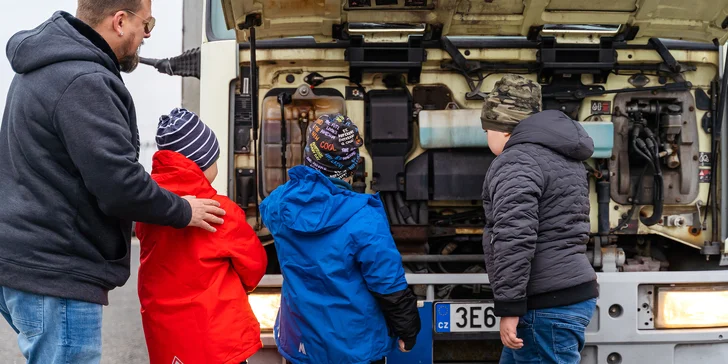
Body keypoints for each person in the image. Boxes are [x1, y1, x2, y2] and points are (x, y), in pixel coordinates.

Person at [0, 2, 225, 363]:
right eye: (146, 23)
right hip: (57, 273)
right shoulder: (83, 80)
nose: (147, 34)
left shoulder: (44, 67)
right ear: (120, 21)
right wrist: (184, 209)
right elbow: (119, 184)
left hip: (26, 265)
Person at [260, 113, 422, 364]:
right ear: (353, 163)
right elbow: (388, 283)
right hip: (354, 347)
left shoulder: (278, 203)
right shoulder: (365, 217)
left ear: (309, 155)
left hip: (301, 343)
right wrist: (408, 330)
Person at [480, 75, 599, 364]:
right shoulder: (565, 158)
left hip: (544, 304)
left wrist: (509, 307)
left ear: (503, 129)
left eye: (487, 128)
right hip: (567, 293)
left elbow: (515, 236)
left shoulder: (517, 160)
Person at [136, 108, 268, 364]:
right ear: (202, 164)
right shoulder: (219, 211)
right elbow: (255, 266)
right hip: (219, 342)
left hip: (167, 336)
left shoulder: (148, 210)